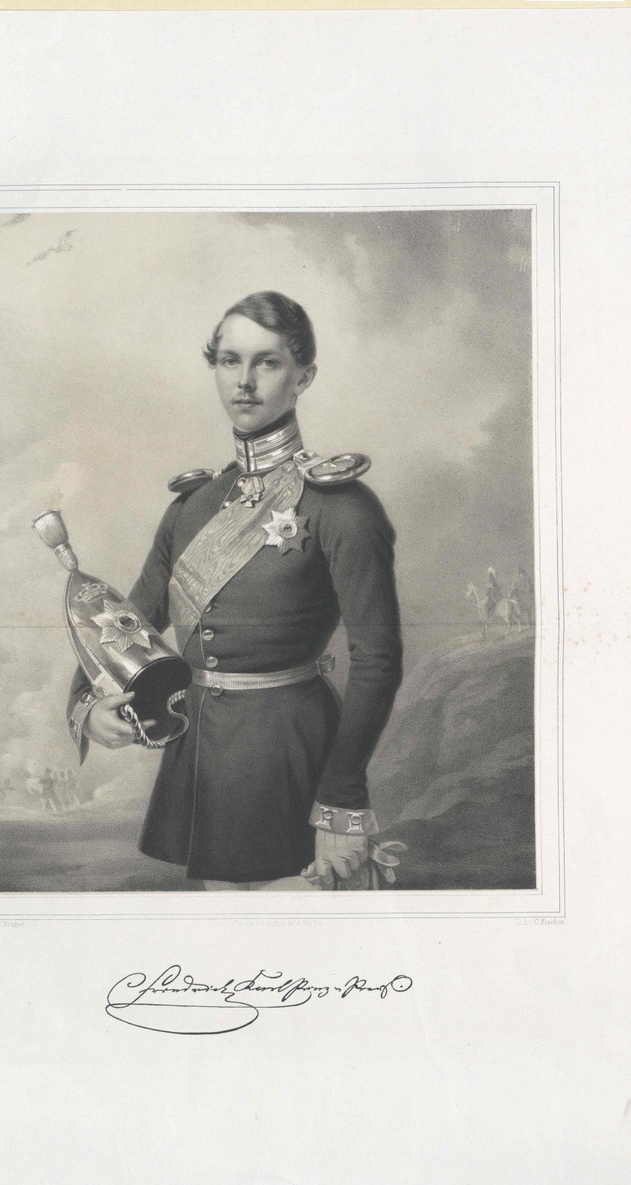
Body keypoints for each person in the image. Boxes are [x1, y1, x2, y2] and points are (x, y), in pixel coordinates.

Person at [66, 291, 403, 890]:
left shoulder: (343, 507)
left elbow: (378, 659)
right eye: (229, 361)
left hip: (293, 754)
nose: (244, 381)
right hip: (198, 754)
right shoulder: (193, 506)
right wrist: (86, 706)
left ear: (304, 377)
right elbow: (124, 627)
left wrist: (341, 803)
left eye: (267, 362)